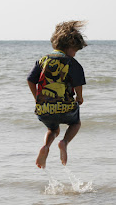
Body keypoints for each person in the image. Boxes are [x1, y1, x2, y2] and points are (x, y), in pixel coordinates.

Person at [27, 21, 87, 169]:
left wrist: (37, 99)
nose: (74, 54)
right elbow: (78, 83)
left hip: (45, 109)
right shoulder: (71, 62)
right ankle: (64, 143)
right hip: (65, 108)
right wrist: (80, 97)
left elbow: (30, 80)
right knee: (75, 123)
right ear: (69, 46)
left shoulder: (42, 60)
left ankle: (46, 147)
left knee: (53, 129)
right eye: (75, 51)